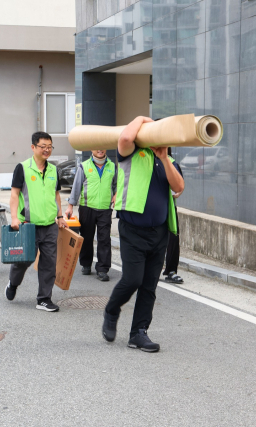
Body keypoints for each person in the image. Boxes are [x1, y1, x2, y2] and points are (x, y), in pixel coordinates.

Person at [102, 116, 184, 353]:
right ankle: (112, 309)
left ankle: (138, 333)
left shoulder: (168, 160)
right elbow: (126, 136)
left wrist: (164, 158)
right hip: (132, 230)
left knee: (149, 285)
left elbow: (178, 187)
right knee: (133, 279)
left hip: (159, 232)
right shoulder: (130, 153)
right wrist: (141, 118)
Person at [5, 131, 68, 312]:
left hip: (49, 225)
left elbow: (56, 195)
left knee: (49, 263)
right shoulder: (22, 168)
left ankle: (44, 299)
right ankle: (13, 284)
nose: (47, 150)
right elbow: (14, 194)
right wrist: (15, 217)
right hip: (28, 225)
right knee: (24, 261)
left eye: (50, 147)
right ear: (33, 147)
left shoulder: (54, 170)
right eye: (43, 147)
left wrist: (60, 216)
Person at [65, 149, 117, 282]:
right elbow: (76, 187)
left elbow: (117, 185)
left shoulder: (112, 166)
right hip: (87, 207)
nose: (100, 150)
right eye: (96, 147)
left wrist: (116, 194)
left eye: (102, 147)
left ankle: (102, 269)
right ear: (91, 149)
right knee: (86, 237)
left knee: (104, 239)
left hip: (105, 208)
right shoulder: (84, 166)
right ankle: (86, 264)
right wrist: (70, 205)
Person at [162, 148, 183, 284]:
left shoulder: (173, 164)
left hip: (168, 206)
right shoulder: (145, 161)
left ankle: (171, 271)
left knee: (173, 239)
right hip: (149, 208)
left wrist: (177, 190)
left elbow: (178, 188)